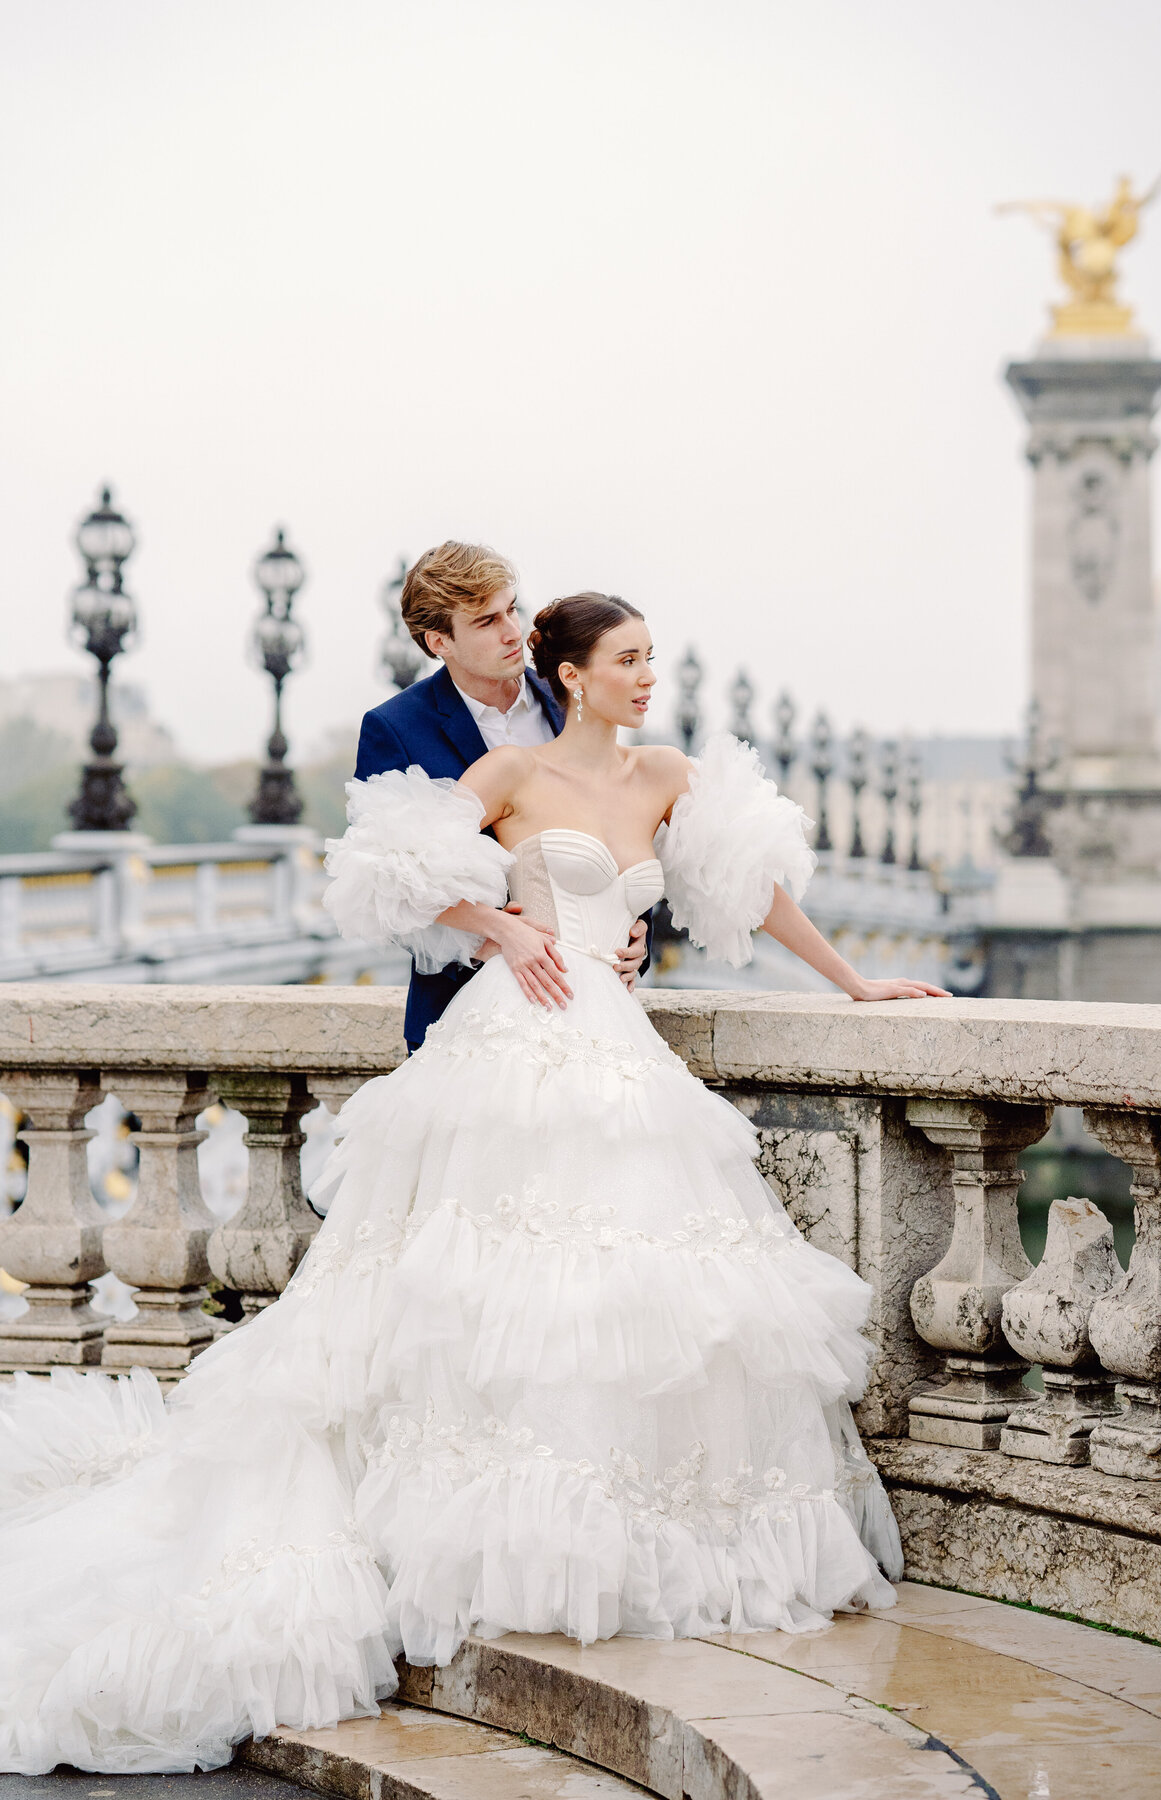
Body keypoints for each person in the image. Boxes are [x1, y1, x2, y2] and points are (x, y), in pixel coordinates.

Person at [0, 593, 948, 1775]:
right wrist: (505, 928)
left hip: (621, 1054)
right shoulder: (506, 772)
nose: (647, 676)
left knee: (632, 1302)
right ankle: (490, 1539)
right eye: (627, 660)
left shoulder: (668, 774)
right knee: (492, 1293)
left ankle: (617, 1540)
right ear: (570, 673)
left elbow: (756, 890)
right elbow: (382, 874)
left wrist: (858, 986)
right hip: (516, 1040)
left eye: (653, 658)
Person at [354, 541, 649, 1050]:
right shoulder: (395, 729)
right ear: (438, 641)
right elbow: (384, 878)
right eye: (486, 621)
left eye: (511, 608)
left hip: (596, 1012)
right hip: (467, 1016)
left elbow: (617, 819)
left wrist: (632, 926)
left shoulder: (571, 693)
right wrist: (493, 931)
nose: (514, 631)